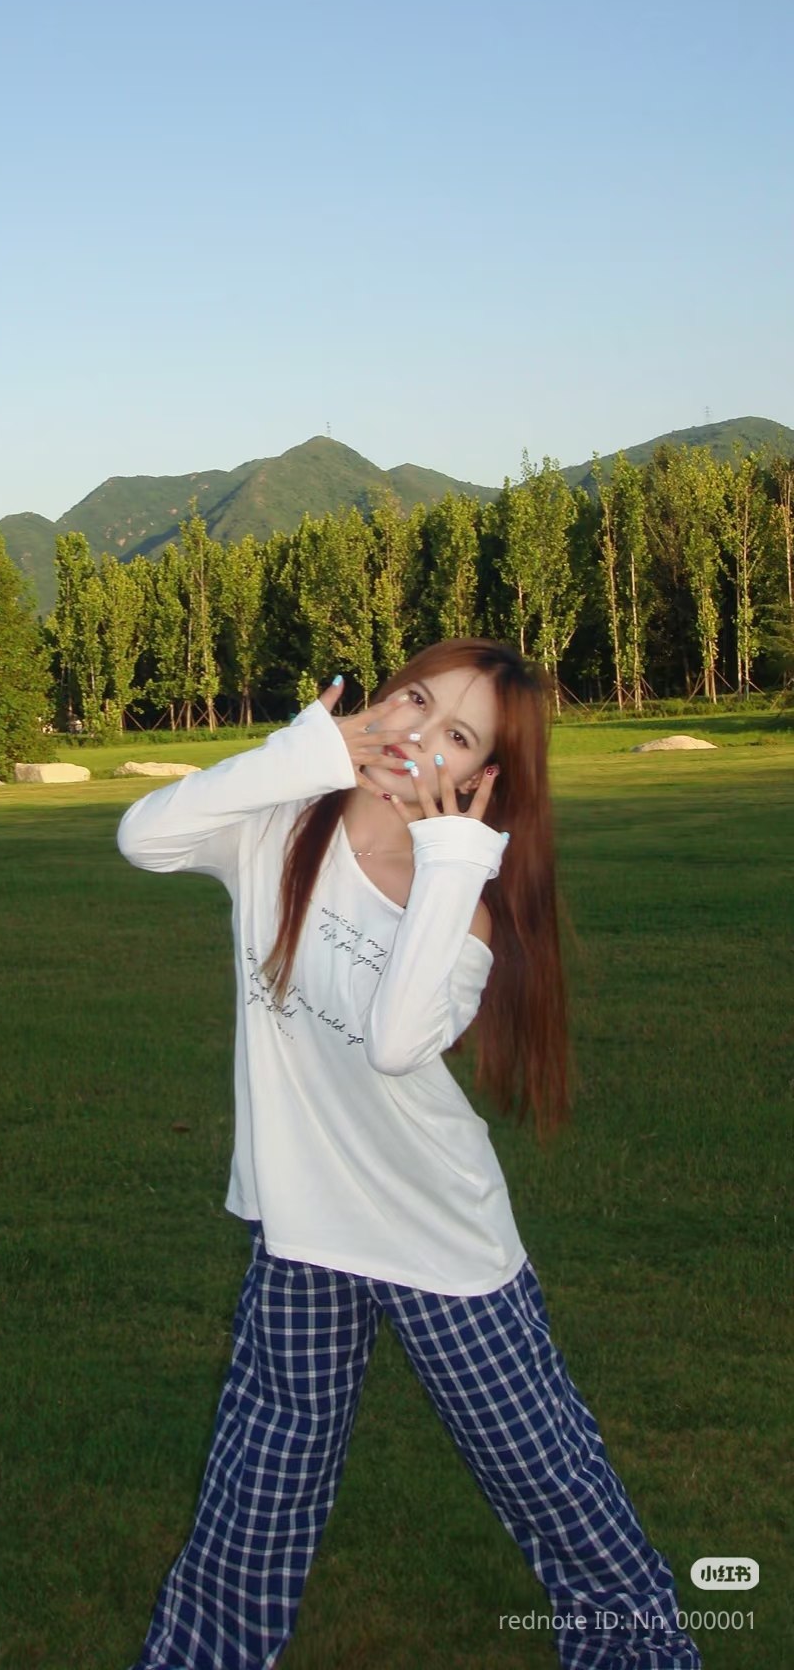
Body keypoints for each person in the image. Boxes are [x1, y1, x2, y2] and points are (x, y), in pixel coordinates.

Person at [116, 639, 701, 1670]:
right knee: (259, 1492)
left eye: (457, 736)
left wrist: (455, 855)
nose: (418, 734)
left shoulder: (461, 899)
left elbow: (395, 1044)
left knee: (547, 1477)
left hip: (439, 1239)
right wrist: (305, 751)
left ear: (482, 779)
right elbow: (144, 836)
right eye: (415, 699)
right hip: (304, 1231)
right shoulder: (282, 826)